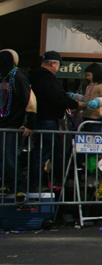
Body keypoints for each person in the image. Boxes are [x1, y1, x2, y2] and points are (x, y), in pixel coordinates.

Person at [28, 51, 82, 191]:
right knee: (44, 152)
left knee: (47, 151)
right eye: (58, 65)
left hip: (42, 119)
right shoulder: (47, 79)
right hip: (48, 120)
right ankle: (37, 184)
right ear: (53, 64)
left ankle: (45, 182)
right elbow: (57, 98)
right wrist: (75, 104)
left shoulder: (35, 77)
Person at [0, 49, 36, 197]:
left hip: (13, 125)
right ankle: (8, 184)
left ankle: (19, 186)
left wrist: (30, 124)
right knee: (4, 156)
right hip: (5, 124)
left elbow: (30, 102)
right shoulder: (6, 78)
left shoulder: (18, 78)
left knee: (9, 156)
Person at [79, 63, 102, 130]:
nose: (87, 77)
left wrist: (97, 102)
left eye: (89, 75)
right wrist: (76, 97)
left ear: (95, 74)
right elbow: (87, 99)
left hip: (96, 117)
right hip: (86, 116)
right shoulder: (90, 85)